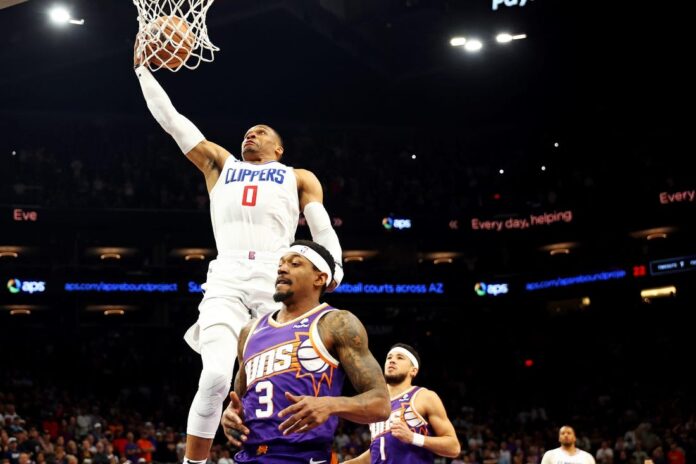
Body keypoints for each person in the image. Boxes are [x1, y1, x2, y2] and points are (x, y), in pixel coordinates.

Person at [133, 53, 344, 464]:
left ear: (278, 148)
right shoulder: (220, 163)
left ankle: (285, 456)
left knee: (279, 380)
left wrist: (333, 264)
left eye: (260, 132)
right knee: (215, 375)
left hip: (275, 277)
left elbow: (321, 228)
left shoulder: (297, 176)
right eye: (247, 132)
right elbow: (172, 120)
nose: (251, 135)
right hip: (226, 274)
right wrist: (142, 70)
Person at [221, 240, 390, 463]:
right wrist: (231, 415)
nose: (282, 268)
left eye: (294, 263)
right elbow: (241, 402)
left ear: (319, 278)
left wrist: (331, 404)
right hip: (249, 456)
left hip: (303, 456)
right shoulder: (249, 331)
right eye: (281, 264)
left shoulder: (336, 323)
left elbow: (381, 404)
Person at [342, 344, 460, 463]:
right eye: (389, 357)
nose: (392, 360)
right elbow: (379, 451)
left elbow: (453, 447)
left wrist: (413, 437)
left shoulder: (424, 396)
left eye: (400, 358)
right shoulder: (377, 405)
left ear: (413, 371)